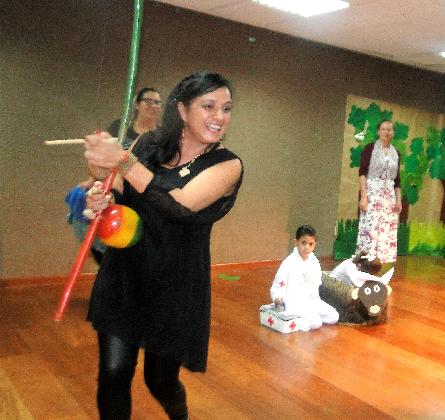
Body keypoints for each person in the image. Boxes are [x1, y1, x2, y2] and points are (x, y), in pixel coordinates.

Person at [82, 71, 243, 420]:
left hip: (175, 285)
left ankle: (179, 416)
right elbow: (120, 189)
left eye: (226, 108)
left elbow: (179, 206)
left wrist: (122, 159)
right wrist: (101, 193)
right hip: (125, 275)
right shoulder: (146, 147)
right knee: (113, 373)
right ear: (183, 111)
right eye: (209, 106)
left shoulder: (227, 165)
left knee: (160, 380)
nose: (220, 117)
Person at [65, 87, 163, 263]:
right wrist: (93, 180)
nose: (153, 106)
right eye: (148, 101)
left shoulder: (162, 137)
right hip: (117, 193)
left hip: (145, 199)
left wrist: (123, 161)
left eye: (157, 102)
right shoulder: (120, 129)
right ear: (137, 104)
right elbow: (101, 161)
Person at [270, 225, 339, 331]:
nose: (307, 247)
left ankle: (309, 315)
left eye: (311, 244)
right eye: (303, 243)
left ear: (314, 244)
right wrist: (277, 298)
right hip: (295, 302)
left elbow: (316, 282)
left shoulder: (314, 260)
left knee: (334, 316)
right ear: (296, 242)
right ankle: (297, 319)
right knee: (316, 323)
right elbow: (279, 284)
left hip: (311, 300)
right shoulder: (288, 263)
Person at [356, 119, 402, 265]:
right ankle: (364, 262)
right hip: (372, 193)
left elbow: (397, 180)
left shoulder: (396, 153)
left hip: (389, 196)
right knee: (370, 229)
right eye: (383, 129)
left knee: (385, 231)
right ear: (378, 131)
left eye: (389, 129)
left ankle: (378, 265)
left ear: (393, 133)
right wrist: (364, 197)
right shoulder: (370, 148)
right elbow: (362, 173)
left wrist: (399, 200)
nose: (386, 132)